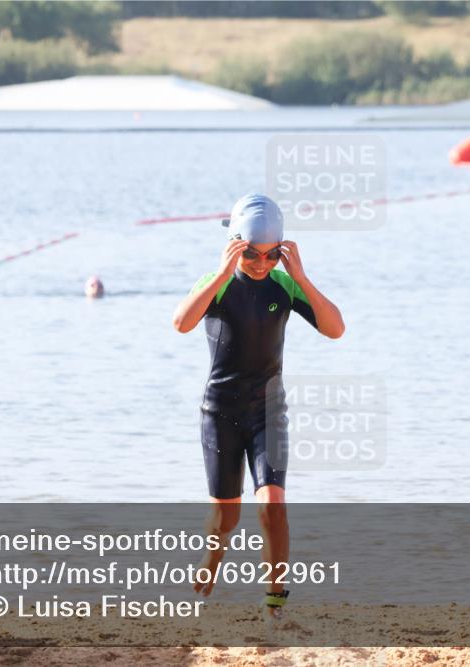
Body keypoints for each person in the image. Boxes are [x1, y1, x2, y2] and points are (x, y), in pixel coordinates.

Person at [172, 193, 344, 617]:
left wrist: (301, 276)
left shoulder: (284, 286)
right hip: (219, 414)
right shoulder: (217, 283)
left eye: (272, 255)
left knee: (273, 503)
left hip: (268, 413)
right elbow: (181, 323)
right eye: (251, 253)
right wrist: (221, 272)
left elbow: (336, 329)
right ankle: (211, 560)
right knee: (226, 520)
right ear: (234, 244)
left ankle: (275, 598)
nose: (261, 263)